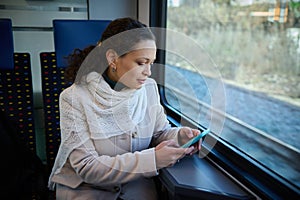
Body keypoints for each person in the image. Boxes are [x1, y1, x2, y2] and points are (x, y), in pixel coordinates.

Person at [48, 17, 201, 200]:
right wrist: (152, 160)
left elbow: (159, 133)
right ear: (113, 59)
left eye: (151, 63)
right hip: (87, 190)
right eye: (141, 62)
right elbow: (87, 167)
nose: (148, 72)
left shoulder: (149, 88)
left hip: (136, 189)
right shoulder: (74, 98)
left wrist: (179, 136)